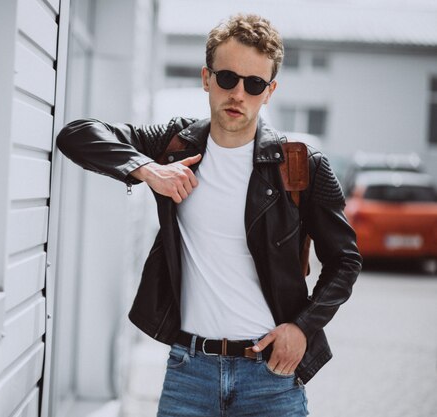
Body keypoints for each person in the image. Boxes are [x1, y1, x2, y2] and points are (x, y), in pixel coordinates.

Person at [57, 13, 362, 417]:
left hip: (270, 378)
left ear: (269, 91)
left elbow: (345, 261)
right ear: (206, 78)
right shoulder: (175, 145)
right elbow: (76, 134)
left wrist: (303, 328)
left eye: (254, 84)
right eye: (227, 78)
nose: (239, 93)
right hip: (189, 372)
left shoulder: (300, 165)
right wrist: (148, 170)